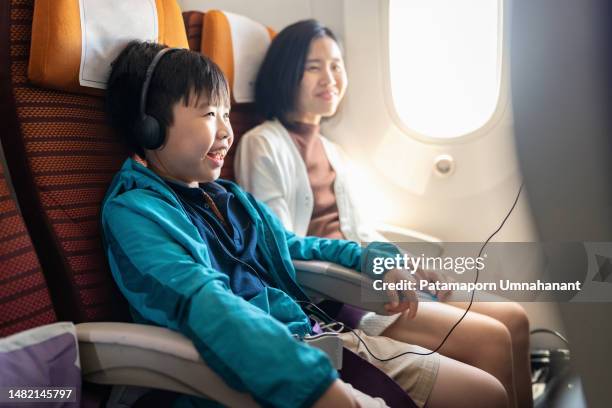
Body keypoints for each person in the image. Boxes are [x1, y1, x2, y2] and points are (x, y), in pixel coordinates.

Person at [102, 40, 508, 408]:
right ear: (149, 127)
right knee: (485, 394)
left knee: (488, 389)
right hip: (262, 371)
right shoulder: (136, 212)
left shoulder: (230, 197)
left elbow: (299, 247)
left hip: (308, 337)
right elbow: (208, 306)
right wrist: (315, 383)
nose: (227, 132)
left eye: (226, 113)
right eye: (210, 114)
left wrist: (380, 260)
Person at [235, 19, 531, 408]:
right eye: (313, 67)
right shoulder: (262, 144)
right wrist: (377, 266)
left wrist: (405, 261)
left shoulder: (334, 150)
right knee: (492, 340)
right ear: (285, 73)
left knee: (516, 319)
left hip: (367, 275)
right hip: (336, 294)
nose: (331, 77)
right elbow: (280, 248)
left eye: (337, 65)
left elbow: (362, 233)